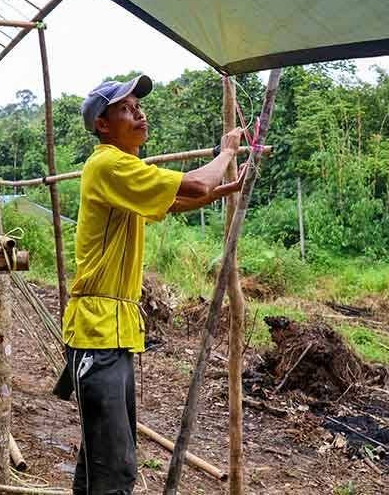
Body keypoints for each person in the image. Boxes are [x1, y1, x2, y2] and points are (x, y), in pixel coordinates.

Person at [53, 74, 247, 495]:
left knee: (101, 459)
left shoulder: (123, 175)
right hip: (98, 335)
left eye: (139, 107)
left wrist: (226, 186)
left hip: (111, 333)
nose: (139, 114)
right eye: (126, 108)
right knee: (115, 467)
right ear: (102, 125)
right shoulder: (108, 163)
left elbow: (175, 201)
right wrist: (228, 152)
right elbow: (196, 183)